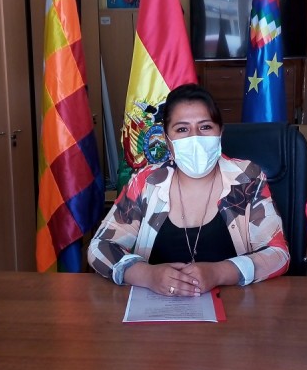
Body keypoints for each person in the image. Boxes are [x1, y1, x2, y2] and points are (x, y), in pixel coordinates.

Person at [88, 84, 289, 296]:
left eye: (205, 127)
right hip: (155, 310)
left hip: (231, 308)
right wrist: (147, 275)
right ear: (167, 140)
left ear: (220, 132)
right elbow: (99, 247)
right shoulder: (146, 182)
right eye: (182, 129)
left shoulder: (247, 178)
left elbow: (278, 254)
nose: (195, 138)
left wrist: (219, 273)